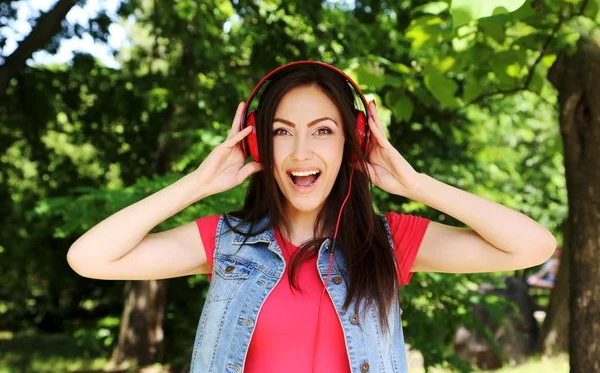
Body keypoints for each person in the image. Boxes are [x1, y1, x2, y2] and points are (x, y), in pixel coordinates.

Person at [66, 61, 557, 373]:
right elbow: (89, 257)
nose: (301, 151)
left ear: (352, 143)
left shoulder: (387, 243)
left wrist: (416, 185)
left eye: (323, 130)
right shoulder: (225, 242)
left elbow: (533, 246)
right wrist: (197, 184)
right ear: (259, 143)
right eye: (282, 132)